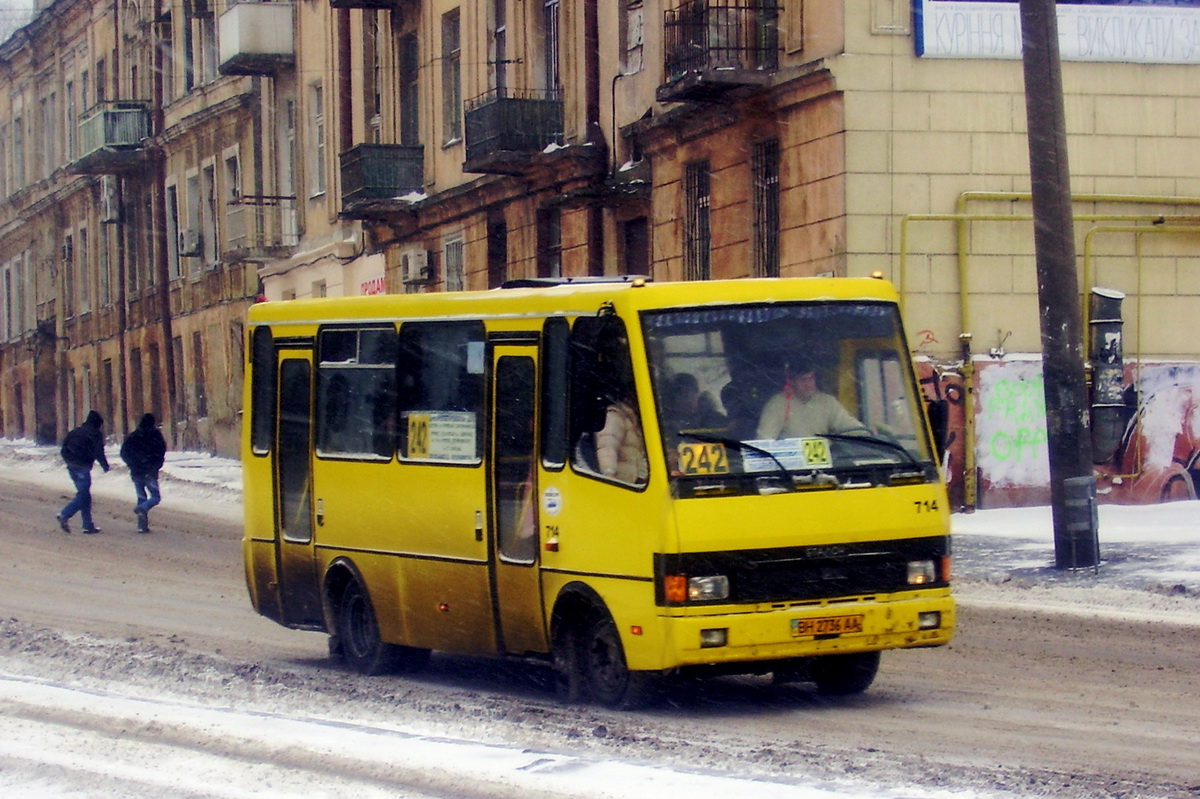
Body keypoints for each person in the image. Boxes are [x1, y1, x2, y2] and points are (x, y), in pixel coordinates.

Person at [756, 359, 867, 439]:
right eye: (803, 380)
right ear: (792, 382)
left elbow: (850, 427)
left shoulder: (827, 402)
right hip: (791, 466)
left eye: (811, 378)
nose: (808, 384)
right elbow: (765, 439)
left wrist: (868, 435)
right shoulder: (777, 404)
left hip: (826, 465)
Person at [57, 410, 110, 534]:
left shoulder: (75, 432)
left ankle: (87, 525)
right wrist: (105, 466)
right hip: (83, 466)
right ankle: (65, 514)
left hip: (71, 465)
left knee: (84, 495)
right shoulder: (95, 434)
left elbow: (63, 448)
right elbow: (99, 452)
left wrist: (69, 460)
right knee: (83, 495)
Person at [120, 413, 168, 534]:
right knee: (155, 497)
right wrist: (156, 464)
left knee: (141, 497)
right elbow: (161, 451)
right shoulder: (155, 435)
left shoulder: (133, 436)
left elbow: (124, 453)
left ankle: (142, 526)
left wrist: (132, 464)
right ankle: (142, 509)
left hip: (136, 472)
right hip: (150, 471)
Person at [594, 388, 649, 486]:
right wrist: (609, 474)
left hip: (634, 485)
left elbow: (641, 455)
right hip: (619, 485)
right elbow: (607, 446)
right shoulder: (615, 416)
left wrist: (642, 477)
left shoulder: (638, 421)